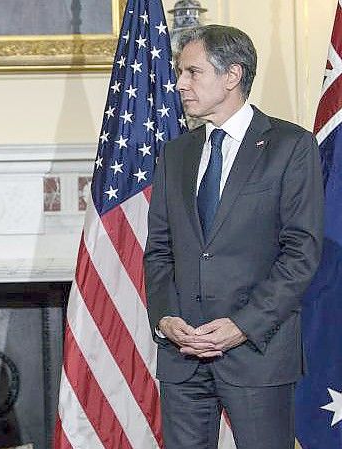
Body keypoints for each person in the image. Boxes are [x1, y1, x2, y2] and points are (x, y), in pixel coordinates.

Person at [144, 25, 323, 449]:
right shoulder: (176, 153)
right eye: (179, 72)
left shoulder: (290, 146)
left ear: (232, 76)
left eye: (192, 72)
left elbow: (301, 252)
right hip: (182, 355)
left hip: (257, 355)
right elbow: (160, 250)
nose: (180, 83)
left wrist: (241, 326)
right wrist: (167, 319)